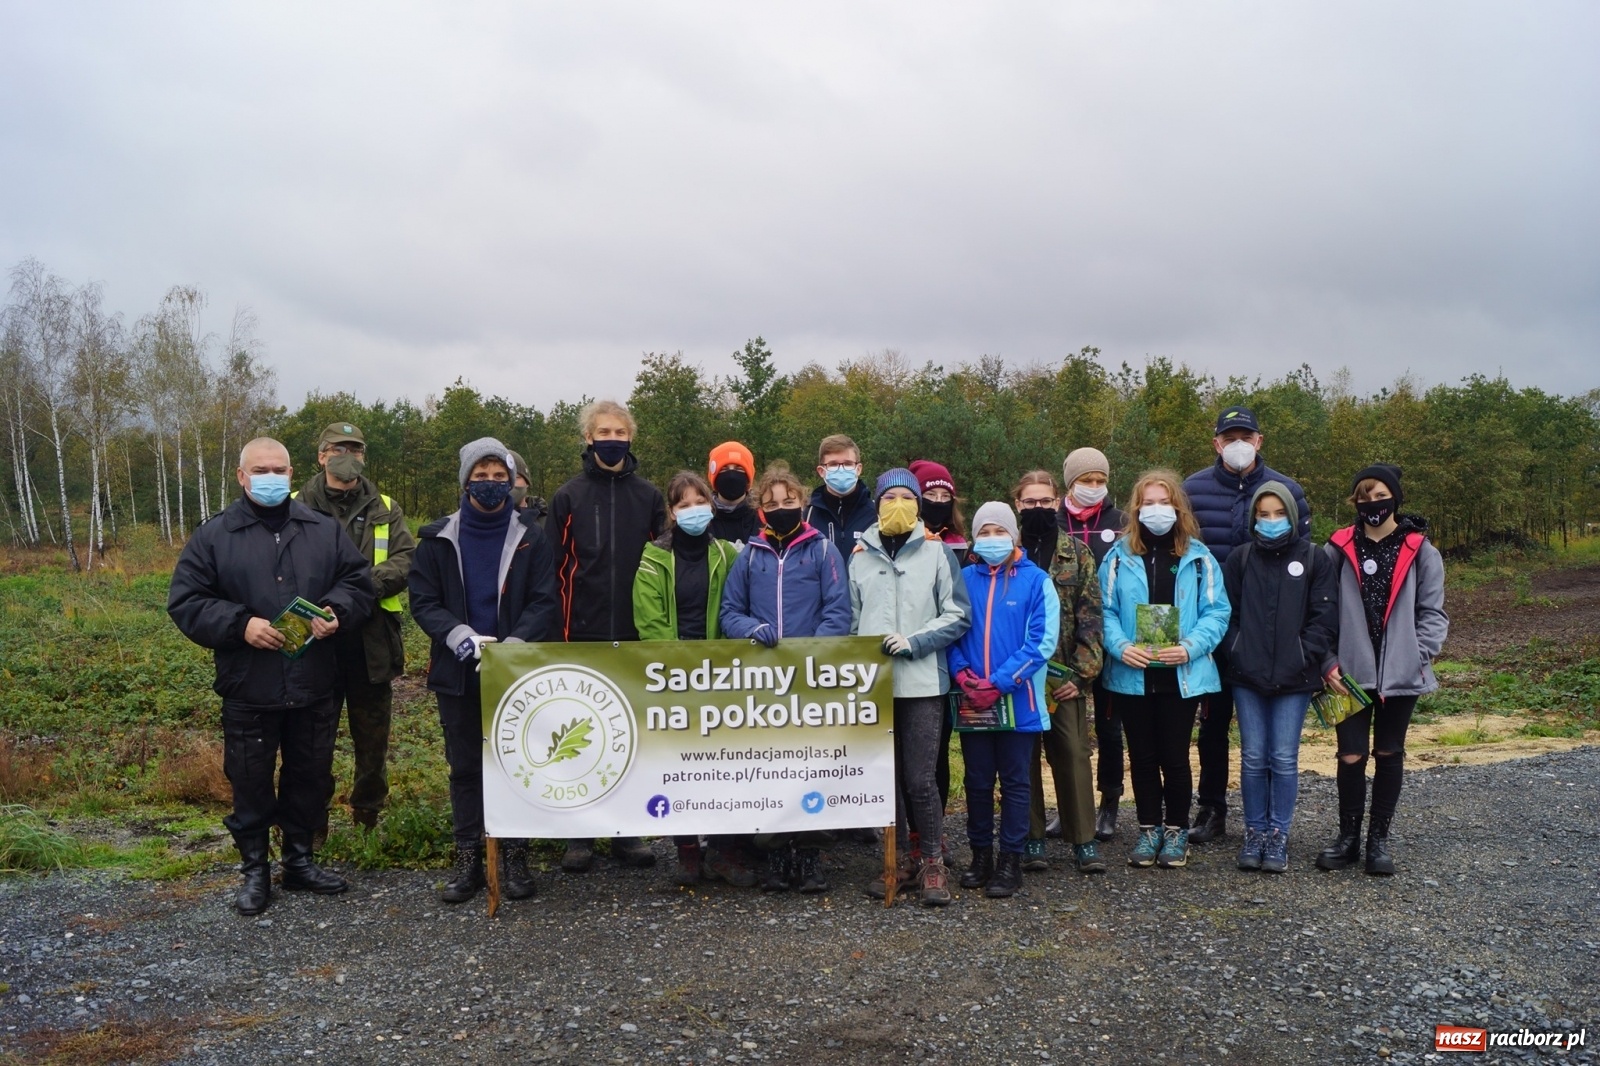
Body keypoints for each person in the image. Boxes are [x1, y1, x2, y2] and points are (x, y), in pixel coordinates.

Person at [168, 437, 374, 916]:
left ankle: (299, 862)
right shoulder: (215, 536)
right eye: (260, 470)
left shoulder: (322, 530)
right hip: (249, 685)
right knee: (250, 780)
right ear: (242, 476)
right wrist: (239, 624)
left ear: (291, 473)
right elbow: (186, 601)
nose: (271, 478)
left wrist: (336, 611)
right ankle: (255, 871)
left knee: (310, 775)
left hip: (314, 682)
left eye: (279, 470)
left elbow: (357, 582)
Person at [408, 438, 558, 904]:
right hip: (457, 670)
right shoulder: (437, 539)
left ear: (511, 482)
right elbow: (424, 602)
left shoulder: (531, 537)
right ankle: (469, 857)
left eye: (499, 476)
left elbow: (544, 600)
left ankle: (515, 855)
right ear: (465, 481)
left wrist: (513, 647)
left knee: (517, 763)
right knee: (466, 768)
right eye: (481, 476)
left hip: (514, 671)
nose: (490, 484)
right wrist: (459, 636)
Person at [546, 399, 667, 872]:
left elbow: (663, 566)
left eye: (620, 432)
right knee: (581, 732)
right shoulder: (568, 496)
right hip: (582, 633)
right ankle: (579, 835)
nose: (612, 439)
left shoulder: (649, 497)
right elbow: (554, 570)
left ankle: (626, 831)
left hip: (636, 635)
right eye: (604, 432)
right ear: (588, 438)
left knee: (628, 735)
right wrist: (560, 633)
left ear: (630, 437)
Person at [721, 462, 852, 893]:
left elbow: (838, 611)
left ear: (802, 501)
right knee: (773, 768)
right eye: (772, 502)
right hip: (763, 682)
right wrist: (752, 629)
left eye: (789, 500)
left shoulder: (823, 551)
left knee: (811, 766)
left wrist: (810, 655)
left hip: (811, 680)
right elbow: (730, 612)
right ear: (760, 508)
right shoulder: (749, 555)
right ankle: (776, 854)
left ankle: (811, 855)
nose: (781, 508)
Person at [1182, 406, 1311, 845]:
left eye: (1245, 436)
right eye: (1229, 437)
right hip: (1210, 629)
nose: (1238, 444)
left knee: (1271, 740)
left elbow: (1303, 563)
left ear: (1259, 440)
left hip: (1271, 633)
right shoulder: (1193, 490)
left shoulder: (1287, 491)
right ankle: (1212, 808)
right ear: (1216, 443)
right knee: (1213, 725)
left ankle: (1271, 823)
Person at [1317, 464, 1447, 876]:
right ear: (1354, 502)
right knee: (1350, 754)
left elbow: (1433, 613)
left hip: (1401, 675)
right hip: (1347, 675)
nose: (1372, 504)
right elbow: (1320, 612)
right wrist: (1326, 661)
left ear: (1395, 498)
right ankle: (1348, 837)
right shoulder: (1336, 549)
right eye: (1363, 497)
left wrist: (1417, 654)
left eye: (1379, 496)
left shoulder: (1421, 550)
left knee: (1389, 752)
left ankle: (1379, 839)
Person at [849, 468, 970, 906]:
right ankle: (897, 859)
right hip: (875, 686)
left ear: (918, 505)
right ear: (877, 504)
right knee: (888, 778)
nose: (897, 504)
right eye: (889, 497)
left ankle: (932, 862)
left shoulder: (938, 553)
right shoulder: (859, 556)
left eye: (906, 496)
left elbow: (958, 614)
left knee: (920, 778)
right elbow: (850, 622)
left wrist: (916, 642)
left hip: (922, 682)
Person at [1100, 470, 1230, 870]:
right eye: (1148, 503)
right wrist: (1120, 647)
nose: (1156, 510)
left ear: (1178, 507)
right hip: (1133, 674)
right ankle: (1148, 829)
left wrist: (1190, 648)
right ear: (1137, 509)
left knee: (1174, 757)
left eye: (1164, 502)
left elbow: (1217, 612)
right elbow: (1103, 610)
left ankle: (1176, 831)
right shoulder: (1118, 557)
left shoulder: (1199, 558)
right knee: (1141, 757)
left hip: (1181, 675)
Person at [633, 470, 756, 888]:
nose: (694, 510)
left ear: (711, 505)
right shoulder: (652, 558)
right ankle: (687, 852)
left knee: (724, 767)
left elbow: (738, 608)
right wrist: (679, 667)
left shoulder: (728, 554)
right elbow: (649, 622)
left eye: (700, 502)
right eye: (684, 504)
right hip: (673, 676)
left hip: (721, 676)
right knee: (680, 767)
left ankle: (722, 852)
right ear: (672, 512)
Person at [293, 421, 415, 836]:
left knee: (373, 741)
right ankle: (313, 827)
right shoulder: (295, 505)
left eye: (355, 450)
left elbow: (404, 560)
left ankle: (367, 821)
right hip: (314, 641)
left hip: (371, 641)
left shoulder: (386, 507)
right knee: (312, 742)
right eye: (338, 449)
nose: (347, 457)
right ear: (321, 456)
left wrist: (357, 590)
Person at [1221, 481, 1339, 873]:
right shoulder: (1240, 559)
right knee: (1254, 756)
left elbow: (1324, 617)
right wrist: (1239, 651)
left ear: (1292, 515)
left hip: (1296, 677)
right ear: (1254, 518)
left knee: (1284, 757)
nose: (1271, 520)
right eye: (1263, 514)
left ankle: (1278, 834)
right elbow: (1227, 615)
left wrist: (1302, 655)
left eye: (1279, 513)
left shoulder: (1314, 558)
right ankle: (1254, 831)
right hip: (1247, 675)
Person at [947, 502, 1060, 899]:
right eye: (985, 531)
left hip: (1018, 701)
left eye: (1000, 531)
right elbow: (950, 630)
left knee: (1015, 782)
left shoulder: (1037, 580)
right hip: (972, 701)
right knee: (977, 781)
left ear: (1014, 535)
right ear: (974, 537)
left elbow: (1041, 642)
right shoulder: (962, 579)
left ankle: (1010, 859)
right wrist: (962, 674)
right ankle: (980, 855)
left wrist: (999, 682)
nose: (992, 538)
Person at [1014, 472, 1107, 876]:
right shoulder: (1004, 548)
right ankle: (1031, 835)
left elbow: (1092, 616)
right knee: (1022, 757)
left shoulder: (1077, 553)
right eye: (1029, 502)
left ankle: (1083, 839)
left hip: (1061, 675)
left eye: (1044, 501)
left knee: (1072, 754)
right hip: (1014, 675)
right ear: (1018, 504)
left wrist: (1082, 673)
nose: (1038, 508)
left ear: (1057, 503)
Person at [1056, 447, 1128, 842]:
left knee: (1110, 728)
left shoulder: (1122, 522)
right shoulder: (1053, 522)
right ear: (1070, 483)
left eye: (1101, 480)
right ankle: (1067, 805)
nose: (1095, 486)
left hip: (1109, 640)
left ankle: (1109, 801)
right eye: (1087, 480)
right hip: (1067, 645)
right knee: (1066, 733)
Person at [805, 433, 875, 560]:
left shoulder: (876, 514)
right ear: (821, 471)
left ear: (858, 469)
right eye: (833, 464)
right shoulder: (808, 516)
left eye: (848, 464)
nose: (841, 470)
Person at [707, 441, 762, 545]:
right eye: (724, 469)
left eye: (738, 468)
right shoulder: (703, 518)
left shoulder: (762, 517)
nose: (731, 475)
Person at [910, 459, 968, 548]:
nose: (939, 501)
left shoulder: (960, 545)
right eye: (931, 494)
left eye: (945, 496)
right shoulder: (902, 541)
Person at [508, 449, 547, 520]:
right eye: (501, 478)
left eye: (516, 477)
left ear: (527, 482)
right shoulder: (488, 522)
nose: (510, 483)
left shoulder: (546, 520)